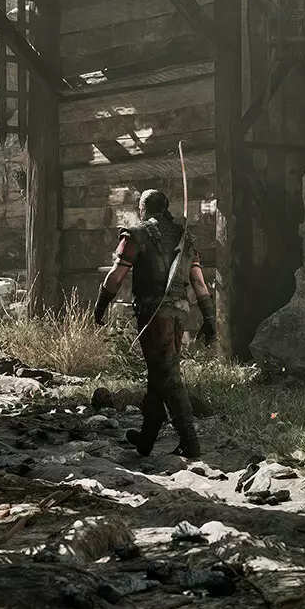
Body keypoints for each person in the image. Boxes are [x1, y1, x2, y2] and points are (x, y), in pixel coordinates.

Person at [92, 189, 218, 458]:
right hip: (180, 310)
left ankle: (190, 442)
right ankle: (147, 438)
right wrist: (209, 317)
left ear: (143, 209)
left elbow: (116, 276)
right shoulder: (185, 237)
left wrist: (101, 305)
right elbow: (198, 281)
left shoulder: (135, 235)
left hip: (154, 313)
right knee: (159, 373)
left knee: (168, 376)